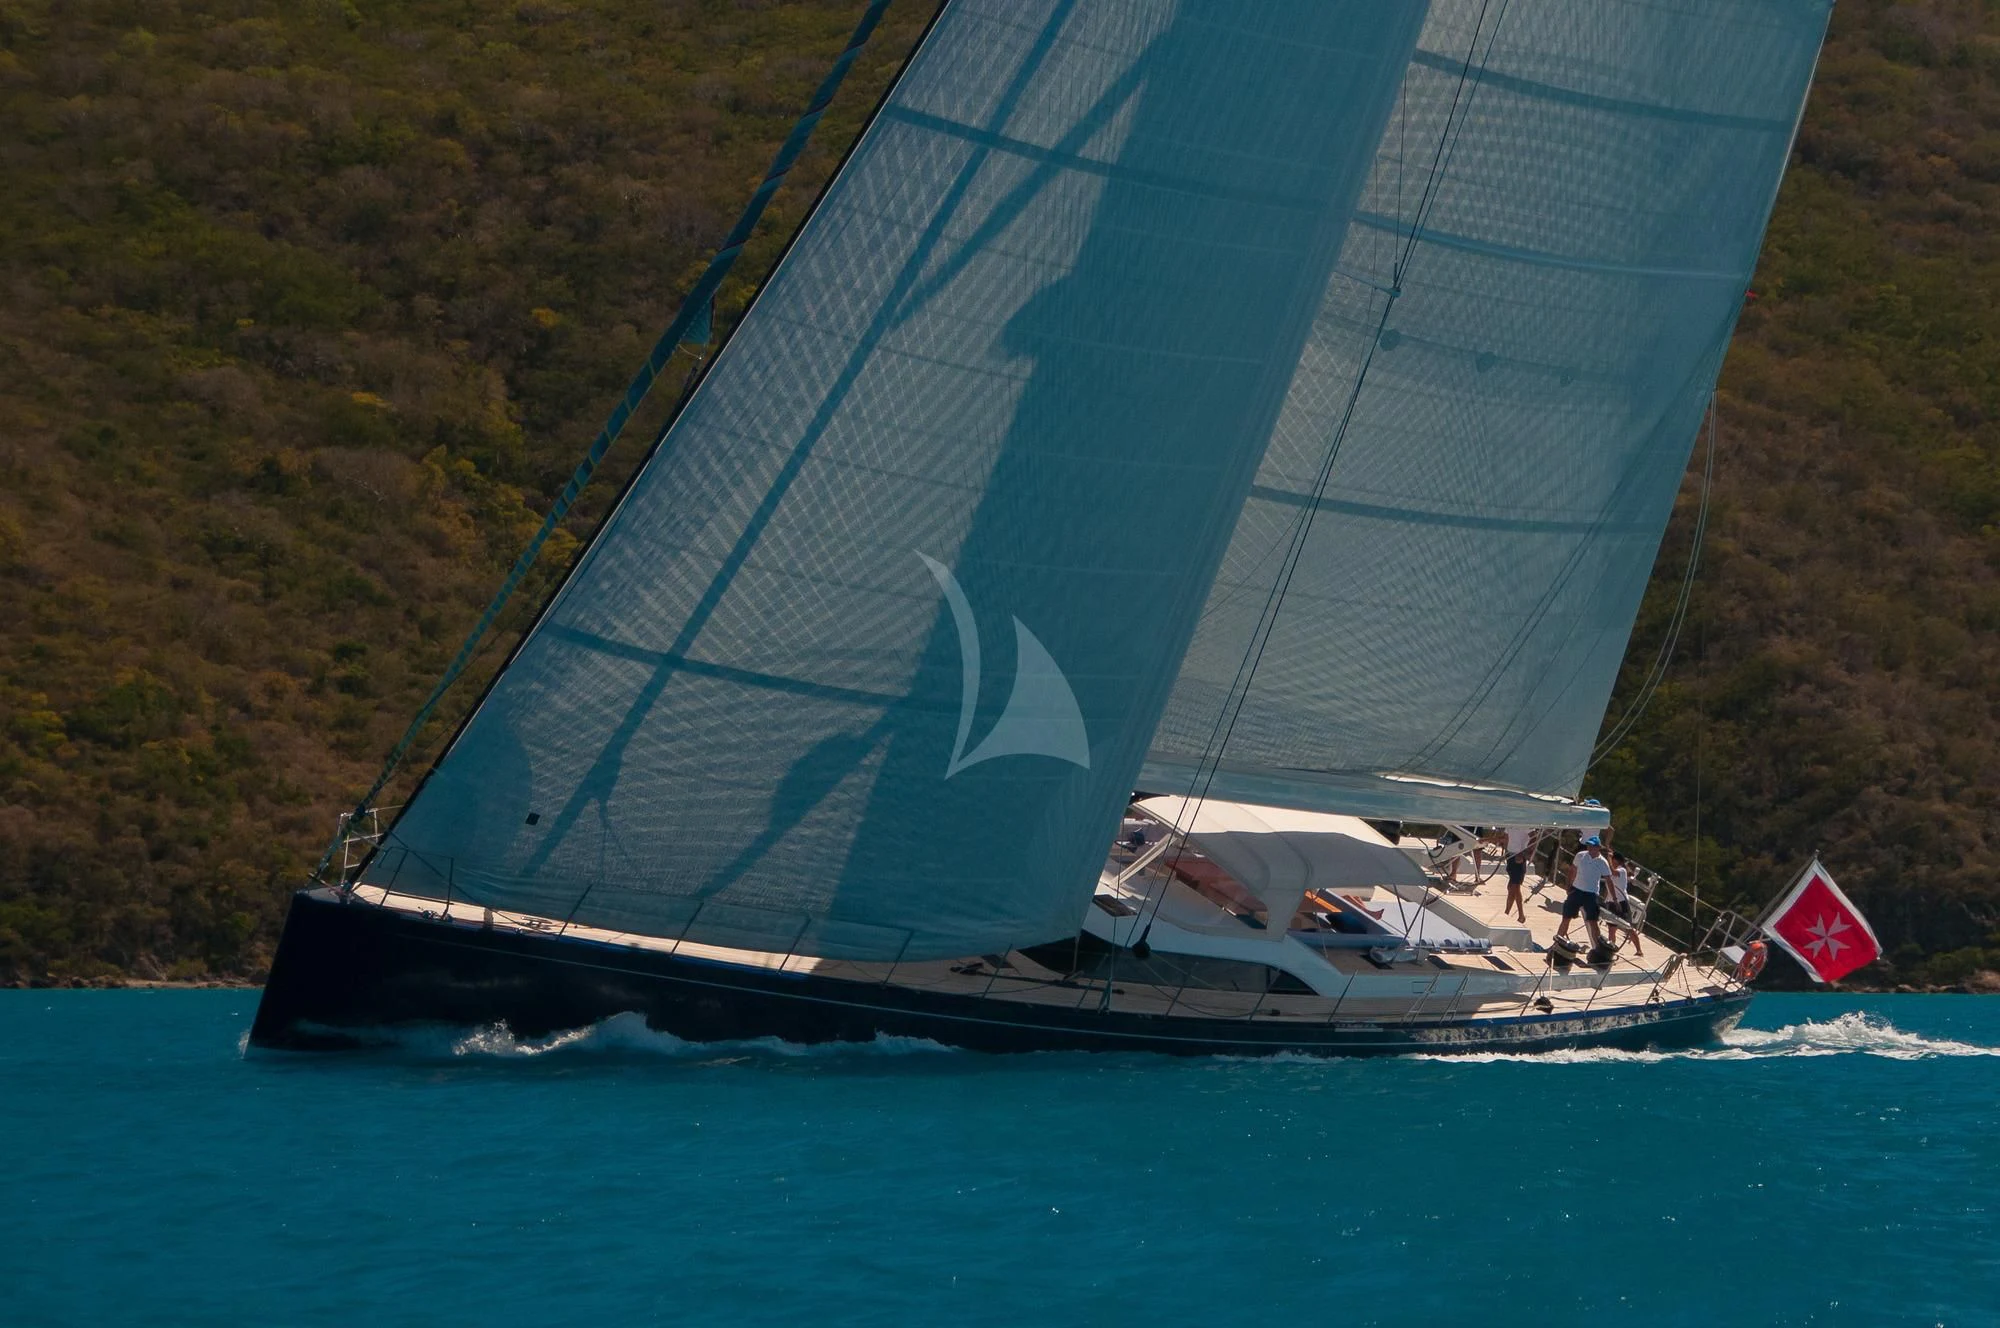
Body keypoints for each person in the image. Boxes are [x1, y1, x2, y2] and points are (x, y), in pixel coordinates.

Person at [1554, 835, 1611, 956]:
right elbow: (1572, 870)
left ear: (1598, 848)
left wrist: (1613, 898)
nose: (1589, 848)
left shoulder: (1603, 862)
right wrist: (1568, 885)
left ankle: (1598, 950)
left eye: (1592, 846)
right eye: (1588, 845)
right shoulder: (1580, 855)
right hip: (1577, 890)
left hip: (1591, 894)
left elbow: (1608, 880)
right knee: (1566, 918)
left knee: (1593, 922)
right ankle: (1557, 943)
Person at [1602, 851, 1643, 957]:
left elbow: (1613, 871)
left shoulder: (1622, 870)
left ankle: (1639, 950)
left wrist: (1608, 858)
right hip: (1612, 902)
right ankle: (1610, 949)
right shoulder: (1611, 872)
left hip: (1622, 902)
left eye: (1613, 860)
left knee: (1628, 927)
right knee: (1611, 929)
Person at [1501, 826, 1537, 923]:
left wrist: (1524, 853)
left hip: (1519, 857)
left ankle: (1520, 915)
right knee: (1511, 887)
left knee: (1515, 887)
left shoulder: (1526, 824)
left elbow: (1534, 838)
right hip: (1510, 856)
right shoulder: (1510, 823)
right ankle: (1507, 912)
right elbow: (1506, 837)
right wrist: (1505, 851)